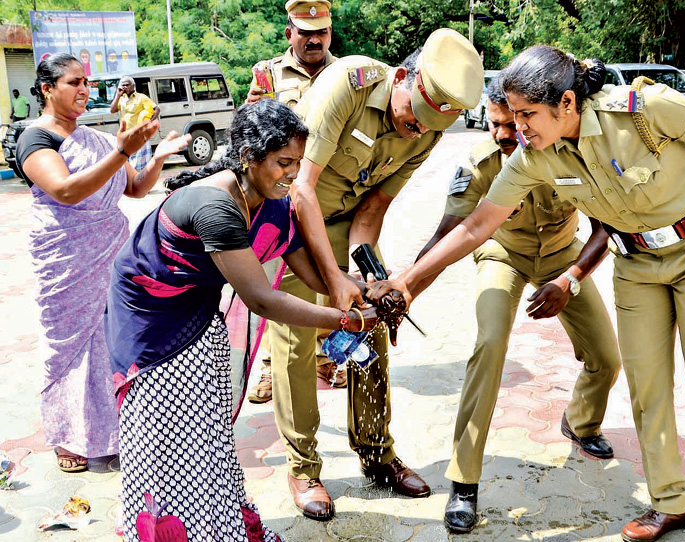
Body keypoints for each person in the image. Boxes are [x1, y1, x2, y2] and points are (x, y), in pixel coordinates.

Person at [369, 44, 685, 542]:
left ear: (568, 104)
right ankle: (670, 503)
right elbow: (476, 225)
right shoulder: (531, 157)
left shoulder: (640, 111)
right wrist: (406, 281)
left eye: (528, 114)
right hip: (637, 262)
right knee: (646, 384)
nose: (519, 127)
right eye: (513, 115)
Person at [106, 100, 379, 542]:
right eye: (282, 163)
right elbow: (261, 299)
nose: (292, 174)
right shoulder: (215, 205)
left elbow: (308, 271)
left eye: (297, 163)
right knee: (166, 435)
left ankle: (214, 522)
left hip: (196, 307)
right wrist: (345, 322)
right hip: (149, 315)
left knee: (207, 429)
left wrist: (361, 291)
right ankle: (167, 529)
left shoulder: (271, 200)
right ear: (249, 156)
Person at [268, 28, 483, 521]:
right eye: (412, 118)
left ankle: (377, 454)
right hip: (292, 218)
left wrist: (370, 277)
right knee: (298, 341)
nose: (414, 131)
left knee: (372, 328)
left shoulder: (428, 128)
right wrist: (332, 280)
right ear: (402, 77)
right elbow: (302, 189)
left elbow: (374, 205)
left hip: (346, 221)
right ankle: (303, 467)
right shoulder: (350, 83)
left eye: (427, 128)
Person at [414, 79, 621, 533]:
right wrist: (406, 287)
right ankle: (464, 481)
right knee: (489, 344)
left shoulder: (566, 151)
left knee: (607, 358)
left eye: (515, 122)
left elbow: (608, 226)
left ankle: (581, 423)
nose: (508, 133)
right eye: (497, 123)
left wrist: (570, 279)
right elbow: (448, 232)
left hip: (565, 258)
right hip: (503, 255)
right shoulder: (480, 161)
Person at [15, 53, 189, 473]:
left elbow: (134, 187)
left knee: (115, 337)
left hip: (112, 253)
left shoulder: (93, 138)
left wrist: (158, 154)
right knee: (70, 346)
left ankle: (116, 428)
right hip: (67, 259)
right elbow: (66, 191)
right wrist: (121, 150)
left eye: (87, 82)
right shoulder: (36, 139)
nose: (84, 90)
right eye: (73, 82)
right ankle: (69, 437)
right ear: (46, 89)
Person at [244, 0, 340, 404]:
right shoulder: (267, 74)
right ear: (290, 34)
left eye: (321, 32)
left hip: (330, 198)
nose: (314, 39)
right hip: (280, 201)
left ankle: (324, 355)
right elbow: (252, 127)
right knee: (277, 282)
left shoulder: (345, 74)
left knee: (329, 277)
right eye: (305, 32)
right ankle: (269, 366)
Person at [110, 76, 160, 172]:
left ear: (133, 85)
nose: (125, 87)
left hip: (139, 135)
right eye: (123, 85)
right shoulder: (121, 99)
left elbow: (157, 109)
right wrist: (118, 95)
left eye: (127, 85)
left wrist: (149, 123)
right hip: (126, 135)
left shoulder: (141, 98)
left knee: (139, 164)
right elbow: (112, 110)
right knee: (126, 163)